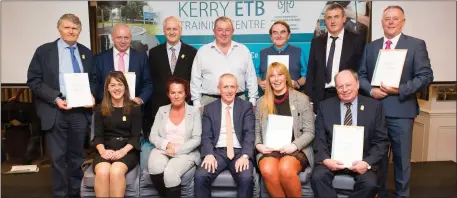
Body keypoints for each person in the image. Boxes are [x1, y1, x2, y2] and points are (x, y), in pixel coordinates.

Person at [358, 5, 434, 198]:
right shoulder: (371, 47)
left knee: (401, 160)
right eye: (387, 19)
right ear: (382, 22)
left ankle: (402, 195)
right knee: (378, 159)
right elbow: (362, 75)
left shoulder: (416, 45)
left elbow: (425, 76)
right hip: (375, 112)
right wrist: (371, 90)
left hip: (402, 111)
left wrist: (400, 89)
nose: (391, 22)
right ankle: (380, 193)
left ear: (403, 21)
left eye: (395, 18)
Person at [26, 13, 96, 197]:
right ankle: (60, 194)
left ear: (79, 31)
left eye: (74, 28)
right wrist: (55, 98)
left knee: (78, 157)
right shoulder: (44, 51)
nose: (71, 31)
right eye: (67, 27)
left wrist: (92, 95)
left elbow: (94, 80)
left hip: (80, 112)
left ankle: (76, 192)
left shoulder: (86, 53)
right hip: (54, 110)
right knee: (57, 159)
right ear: (59, 29)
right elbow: (33, 80)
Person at [311, 70, 388, 198]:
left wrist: (366, 162)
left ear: (357, 84)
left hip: (362, 159)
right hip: (333, 159)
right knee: (317, 177)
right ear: (336, 88)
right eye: (340, 86)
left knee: (370, 184)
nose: (345, 89)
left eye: (348, 85)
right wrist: (326, 159)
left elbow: (382, 141)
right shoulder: (325, 106)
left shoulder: (374, 107)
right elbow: (319, 138)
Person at [255, 62, 315, 197]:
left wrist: (294, 145)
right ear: (268, 79)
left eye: (280, 74)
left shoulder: (302, 99)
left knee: (285, 169)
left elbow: (310, 131)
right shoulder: (261, 102)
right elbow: (257, 129)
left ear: (286, 76)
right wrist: (258, 145)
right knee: (267, 169)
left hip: (296, 148)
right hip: (270, 149)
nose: (276, 79)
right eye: (272, 76)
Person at [194, 74, 255, 198]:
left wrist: (245, 156)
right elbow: (206, 135)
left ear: (237, 89)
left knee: (246, 177)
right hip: (217, 152)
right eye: (225, 87)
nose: (229, 90)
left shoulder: (246, 107)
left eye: (232, 87)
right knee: (201, 176)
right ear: (219, 89)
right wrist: (209, 154)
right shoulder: (209, 109)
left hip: (239, 151)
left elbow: (249, 133)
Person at [305, 3, 365, 114]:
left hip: (345, 94)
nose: (332, 21)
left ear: (344, 19)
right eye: (329, 18)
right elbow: (311, 70)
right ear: (325, 20)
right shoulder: (317, 42)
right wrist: (309, 98)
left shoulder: (356, 40)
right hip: (321, 96)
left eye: (336, 17)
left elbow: (360, 70)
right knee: (321, 130)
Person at [148, 77, 201, 198]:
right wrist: (167, 144)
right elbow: (153, 135)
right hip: (163, 149)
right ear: (168, 94)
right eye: (173, 92)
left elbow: (197, 138)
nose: (176, 96)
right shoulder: (162, 110)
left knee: (171, 173)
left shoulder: (194, 112)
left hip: (185, 152)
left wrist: (176, 150)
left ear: (185, 93)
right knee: (155, 168)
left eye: (180, 92)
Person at [145, 16, 197, 138]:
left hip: (184, 107)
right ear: (164, 31)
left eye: (175, 29)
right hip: (159, 108)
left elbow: (194, 81)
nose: (172, 32)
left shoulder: (192, 52)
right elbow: (150, 80)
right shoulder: (154, 53)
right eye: (168, 29)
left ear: (181, 30)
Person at [190, 16, 258, 109]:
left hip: (239, 100)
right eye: (220, 30)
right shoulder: (203, 51)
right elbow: (195, 79)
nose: (224, 33)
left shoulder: (243, 50)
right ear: (214, 31)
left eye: (227, 30)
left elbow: (251, 77)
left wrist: (252, 101)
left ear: (233, 31)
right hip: (209, 101)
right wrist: (197, 103)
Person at [93, 71, 141, 197]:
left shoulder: (134, 108)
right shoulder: (100, 108)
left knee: (115, 171)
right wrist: (103, 151)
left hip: (127, 150)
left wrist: (122, 152)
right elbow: (98, 136)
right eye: (112, 85)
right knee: (103, 172)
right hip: (106, 148)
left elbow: (135, 137)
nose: (117, 88)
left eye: (120, 84)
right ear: (107, 88)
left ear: (125, 87)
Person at [94, 24, 152, 106]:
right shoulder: (100, 58)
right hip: (108, 110)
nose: (123, 41)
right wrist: (107, 100)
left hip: (134, 108)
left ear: (130, 38)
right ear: (113, 38)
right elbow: (96, 84)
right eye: (119, 37)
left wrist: (141, 99)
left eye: (126, 37)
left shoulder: (141, 58)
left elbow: (148, 83)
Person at [257, 21, 308, 92]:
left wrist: (297, 83)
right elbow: (255, 74)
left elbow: (306, 76)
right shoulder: (262, 53)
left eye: (282, 32)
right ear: (271, 36)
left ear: (289, 35)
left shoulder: (298, 52)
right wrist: (260, 82)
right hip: (268, 97)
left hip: (292, 97)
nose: (279, 36)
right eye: (275, 32)